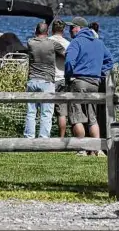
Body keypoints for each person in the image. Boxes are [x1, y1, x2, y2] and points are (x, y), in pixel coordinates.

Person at [64, 16, 113, 157]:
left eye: (71, 27)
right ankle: (96, 150)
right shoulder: (99, 43)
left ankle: (82, 149)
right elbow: (109, 61)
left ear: (78, 28)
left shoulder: (76, 42)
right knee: (92, 118)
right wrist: (99, 72)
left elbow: (69, 62)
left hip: (78, 82)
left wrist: (69, 75)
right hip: (95, 83)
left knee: (77, 117)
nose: (70, 30)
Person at [24, 22, 66, 138]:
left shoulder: (30, 42)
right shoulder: (53, 44)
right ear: (47, 32)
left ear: (35, 31)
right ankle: (43, 139)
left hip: (32, 80)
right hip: (47, 81)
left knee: (31, 112)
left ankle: (29, 138)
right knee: (46, 113)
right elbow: (65, 54)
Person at [48, 20, 70, 138]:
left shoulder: (47, 41)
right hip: (62, 78)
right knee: (62, 112)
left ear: (52, 29)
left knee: (47, 111)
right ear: (64, 30)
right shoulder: (68, 44)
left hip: (50, 78)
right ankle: (61, 139)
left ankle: (45, 136)